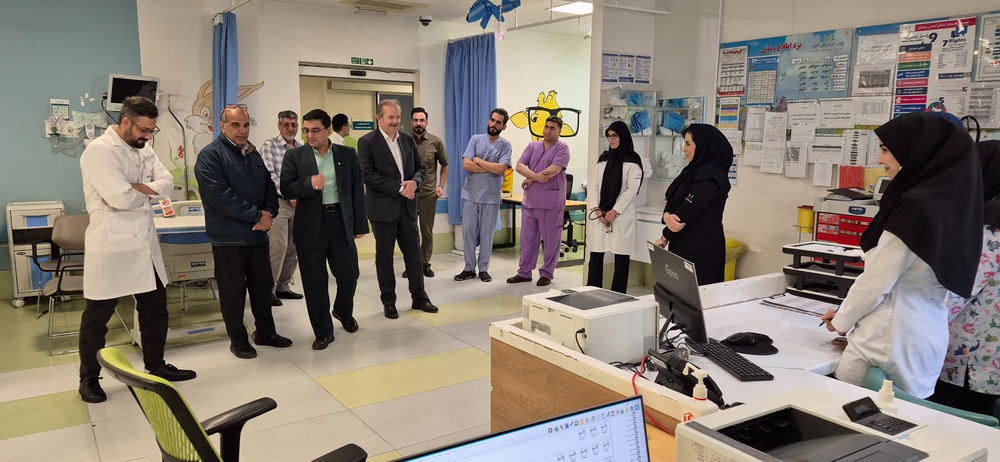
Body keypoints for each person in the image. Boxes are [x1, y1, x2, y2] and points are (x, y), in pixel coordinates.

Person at [821, 112, 982, 398]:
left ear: (917, 151)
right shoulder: (953, 204)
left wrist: (842, 321)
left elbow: (877, 281)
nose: (880, 160)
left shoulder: (916, 207)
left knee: (848, 412)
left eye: (885, 150)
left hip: (889, 335)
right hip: (926, 332)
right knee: (905, 420)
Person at [78, 96, 196, 403]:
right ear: (125, 121)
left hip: (144, 246)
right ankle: (88, 379)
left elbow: (167, 184)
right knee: (97, 319)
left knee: (155, 310)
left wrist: (138, 189)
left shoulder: (145, 148)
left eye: (152, 130)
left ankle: (156, 366)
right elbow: (119, 198)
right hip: (111, 246)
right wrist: (144, 192)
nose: (148, 136)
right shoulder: (99, 151)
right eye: (143, 129)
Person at [195, 104, 292, 359]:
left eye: (246, 125)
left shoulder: (253, 153)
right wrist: (256, 215)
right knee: (233, 292)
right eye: (236, 125)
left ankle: (266, 333)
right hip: (229, 239)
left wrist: (269, 212)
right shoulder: (211, 156)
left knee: (263, 287)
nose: (242, 130)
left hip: (257, 236)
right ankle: (238, 340)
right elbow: (220, 196)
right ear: (223, 126)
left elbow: (269, 186)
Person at [280, 109, 368, 351]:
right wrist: (309, 183)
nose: (310, 135)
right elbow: (286, 187)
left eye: (315, 130)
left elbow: (356, 189)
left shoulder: (347, 154)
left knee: (349, 275)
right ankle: (323, 331)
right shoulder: (295, 156)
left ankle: (342, 311)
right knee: (314, 282)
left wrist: (360, 224)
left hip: (340, 222)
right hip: (310, 226)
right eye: (306, 130)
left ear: (328, 130)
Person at [930, 140, 1000, 414]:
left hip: (968, 360)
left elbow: (959, 289)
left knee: (952, 425)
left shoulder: (990, 224)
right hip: (988, 356)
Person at [358, 99, 439, 319]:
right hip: (383, 211)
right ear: (379, 118)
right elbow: (367, 175)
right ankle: (389, 302)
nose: (395, 121)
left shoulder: (407, 139)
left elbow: (420, 168)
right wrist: (400, 187)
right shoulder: (367, 142)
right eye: (390, 117)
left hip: (408, 208)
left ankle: (419, 297)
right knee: (385, 259)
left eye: (397, 117)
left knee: (414, 256)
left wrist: (415, 182)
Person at [654, 124, 733, 285]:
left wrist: (665, 236)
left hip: (702, 249)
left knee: (699, 294)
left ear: (703, 146)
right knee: (679, 292)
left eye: (688, 144)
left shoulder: (712, 176)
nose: (684, 149)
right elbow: (673, 199)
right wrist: (666, 215)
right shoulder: (691, 171)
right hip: (681, 244)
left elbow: (687, 211)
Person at [506, 116, 571, 287]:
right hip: (530, 202)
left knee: (551, 242)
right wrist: (535, 177)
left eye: (552, 128)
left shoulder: (562, 148)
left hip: (551, 203)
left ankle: (547, 273)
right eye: (546, 126)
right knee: (527, 241)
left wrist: (531, 178)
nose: (548, 130)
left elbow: (553, 170)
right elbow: (519, 165)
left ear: (559, 131)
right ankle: (524, 272)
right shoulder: (532, 146)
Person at [454, 108, 513, 283]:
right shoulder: (475, 139)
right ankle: (469, 268)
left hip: (491, 196)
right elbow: (466, 164)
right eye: (492, 120)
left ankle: (484, 269)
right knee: (468, 232)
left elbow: (501, 169)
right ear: (489, 121)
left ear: (504, 126)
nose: (494, 124)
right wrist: (490, 167)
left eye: (498, 122)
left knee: (487, 234)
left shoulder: (505, 145)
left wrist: (479, 160)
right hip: (471, 194)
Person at [587, 121, 644, 293]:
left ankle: (618, 295)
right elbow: (594, 186)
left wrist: (615, 211)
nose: (611, 140)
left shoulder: (633, 161)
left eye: (615, 136)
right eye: (609, 136)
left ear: (623, 137)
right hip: (600, 213)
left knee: (621, 257)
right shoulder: (603, 160)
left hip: (621, 215)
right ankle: (592, 292)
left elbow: (631, 190)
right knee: (596, 254)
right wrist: (596, 209)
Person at [259, 110, 304, 307]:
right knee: (278, 246)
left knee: (294, 246)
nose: (290, 128)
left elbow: (306, 175)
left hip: (300, 203)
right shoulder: (270, 146)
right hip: (279, 202)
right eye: (286, 124)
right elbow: (269, 175)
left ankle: (283, 287)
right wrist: (290, 193)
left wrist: (300, 193)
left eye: (294, 125)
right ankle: (267, 290)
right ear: (279, 126)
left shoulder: (302, 148)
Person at [407, 107, 449, 279]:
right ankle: (412, 265)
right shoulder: (403, 141)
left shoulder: (435, 142)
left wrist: (441, 185)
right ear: (411, 122)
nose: (419, 123)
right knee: (409, 233)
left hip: (428, 194)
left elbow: (444, 165)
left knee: (427, 232)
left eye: (421, 120)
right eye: (416, 120)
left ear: (426, 122)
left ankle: (425, 264)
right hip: (408, 195)